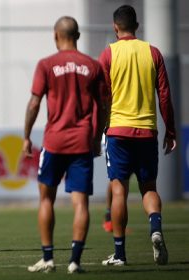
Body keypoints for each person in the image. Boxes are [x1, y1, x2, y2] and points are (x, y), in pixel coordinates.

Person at [23, 16, 107, 274]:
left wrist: (26, 135)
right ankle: (75, 261)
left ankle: (48, 259)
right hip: (81, 142)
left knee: (46, 198)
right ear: (78, 36)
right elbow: (103, 106)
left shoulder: (46, 64)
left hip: (54, 141)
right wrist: (95, 137)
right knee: (81, 203)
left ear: (55, 35)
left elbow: (35, 103)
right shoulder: (92, 66)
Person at [98, 5, 176, 266]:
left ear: (115, 26)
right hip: (146, 131)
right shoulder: (152, 52)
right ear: (137, 26)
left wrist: (99, 129)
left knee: (119, 190)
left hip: (118, 131)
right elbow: (164, 95)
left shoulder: (108, 54)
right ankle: (155, 228)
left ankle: (120, 254)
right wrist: (171, 130)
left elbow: (102, 97)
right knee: (149, 188)